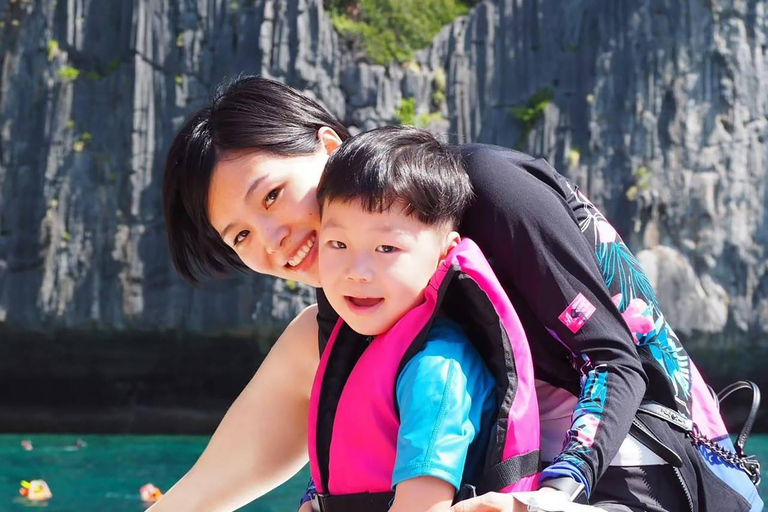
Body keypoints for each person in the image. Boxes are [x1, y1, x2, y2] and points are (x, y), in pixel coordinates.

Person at [150, 76, 761, 512]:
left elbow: (614, 360)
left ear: (328, 149)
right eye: (241, 236)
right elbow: (209, 492)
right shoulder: (339, 324)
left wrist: (557, 493)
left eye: (272, 196)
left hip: (662, 474)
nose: (274, 242)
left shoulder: (486, 191)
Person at [300, 126, 540, 511]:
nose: (357, 271)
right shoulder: (374, 347)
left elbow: (422, 505)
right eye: (338, 244)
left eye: (386, 247)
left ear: (445, 255)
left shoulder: (436, 368)